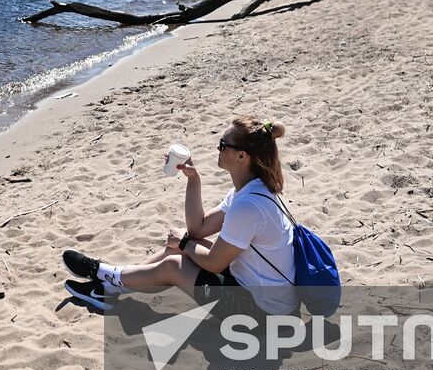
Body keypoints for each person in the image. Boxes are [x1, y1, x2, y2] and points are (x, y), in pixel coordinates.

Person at [62, 118, 298, 317]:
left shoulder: (248, 205)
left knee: (174, 265)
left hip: (264, 312)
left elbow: (215, 262)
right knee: (176, 249)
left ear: (241, 156)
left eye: (223, 144)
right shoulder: (248, 191)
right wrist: (193, 180)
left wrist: (185, 243)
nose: (218, 148)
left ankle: (100, 272)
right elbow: (199, 228)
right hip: (256, 286)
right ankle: (107, 289)